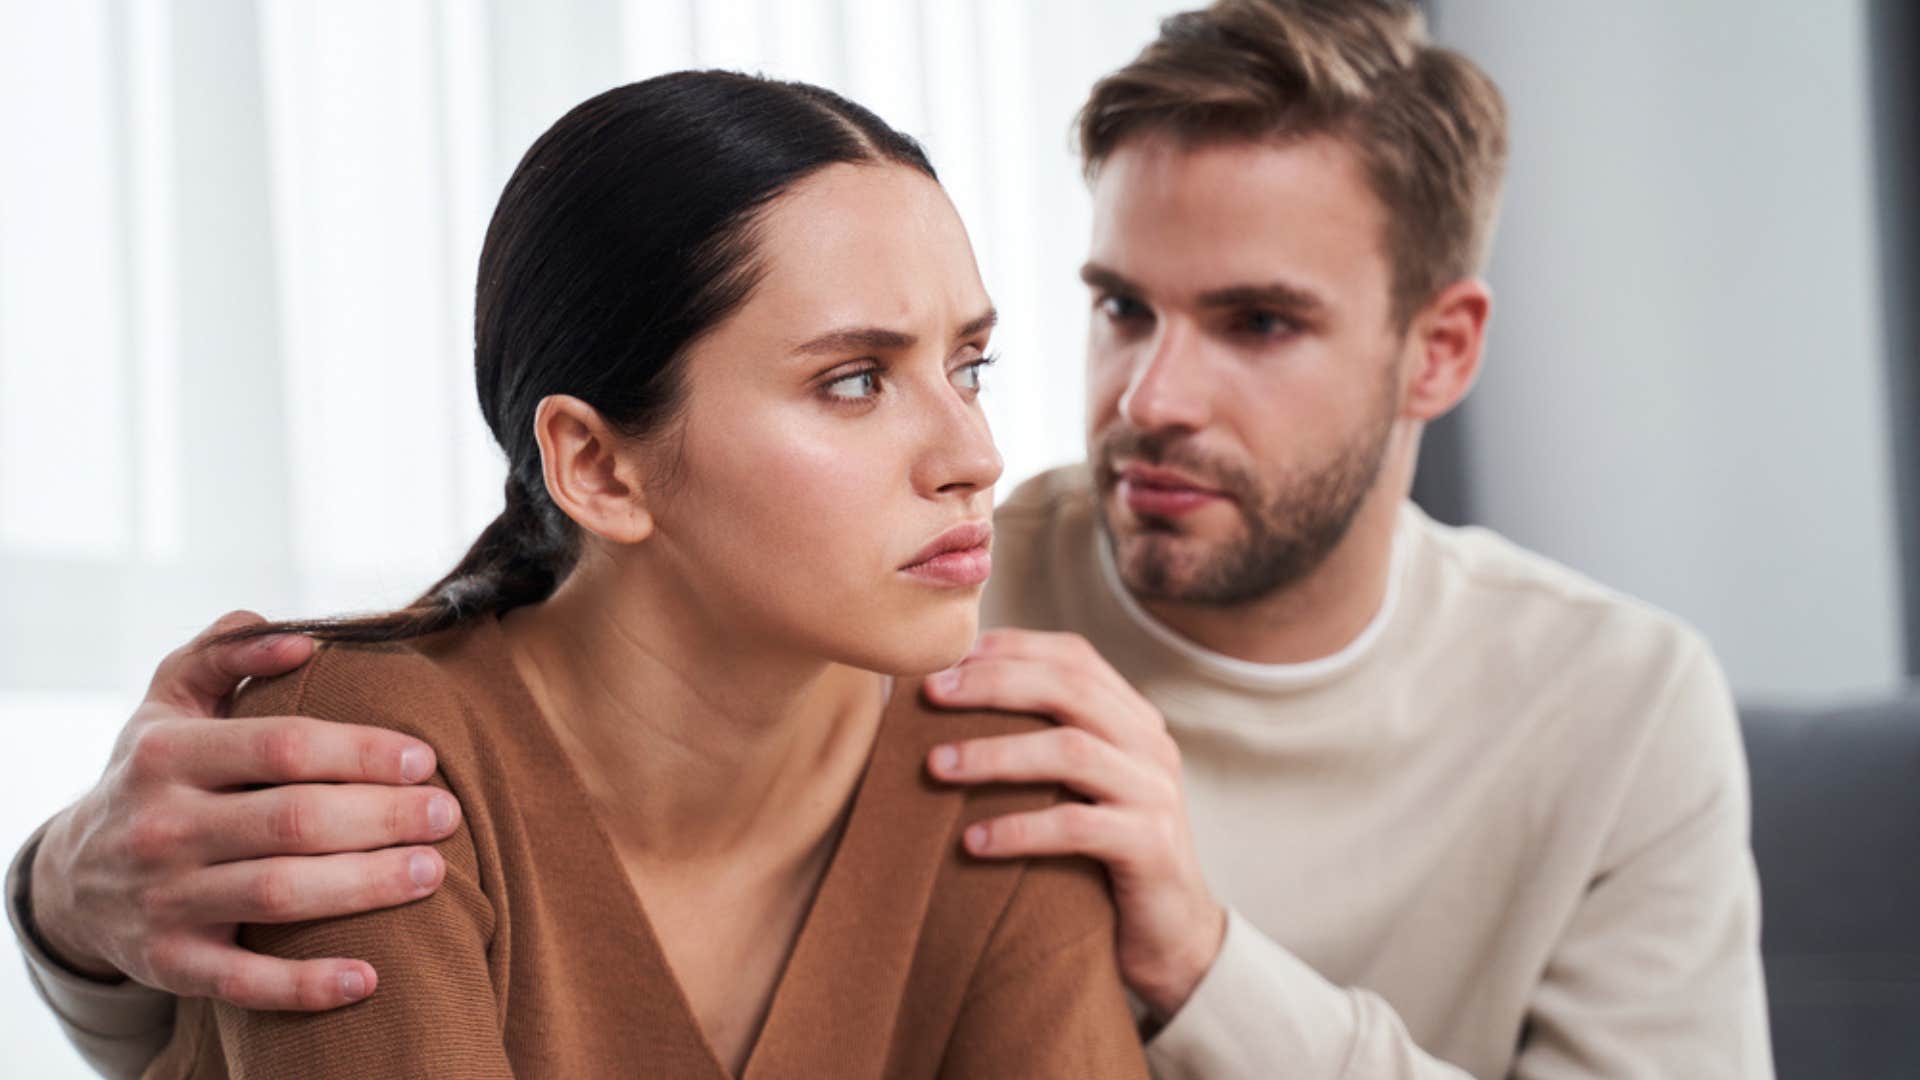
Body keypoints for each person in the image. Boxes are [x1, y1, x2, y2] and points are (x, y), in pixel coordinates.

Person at [11, 2, 1772, 1077]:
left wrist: (1205, 965)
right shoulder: (919, 590)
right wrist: (63, 899)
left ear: (1438, 352)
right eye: (1110, 311)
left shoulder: (1615, 708)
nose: (1095, 417)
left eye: (1256, 323)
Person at [23, 69, 1154, 1079]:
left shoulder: (1003, 773)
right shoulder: (365, 763)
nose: (975, 457)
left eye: (971, 365)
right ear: (599, 466)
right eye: (855, 381)